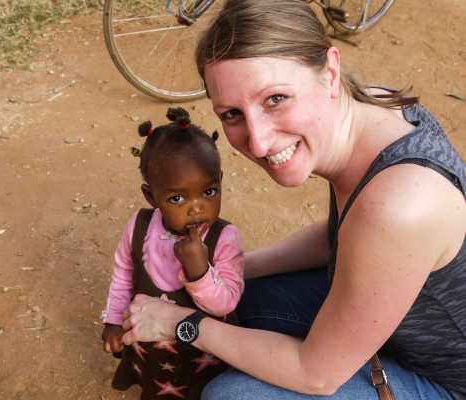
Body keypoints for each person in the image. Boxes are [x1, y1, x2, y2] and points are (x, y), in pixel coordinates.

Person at [118, 1, 466, 399]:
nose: (259, 141)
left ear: (330, 73)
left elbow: (315, 375)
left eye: (276, 98)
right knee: (236, 302)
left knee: (232, 395)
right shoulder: (374, 107)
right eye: (231, 113)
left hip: (446, 382)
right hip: (400, 319)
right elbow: (343, 234)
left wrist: (181, 321)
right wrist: (228, 269)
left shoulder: (400, 203)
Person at [101, 107, 244, 399]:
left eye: (209, 192)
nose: (197, 207)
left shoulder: (223, 237)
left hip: (201, 356)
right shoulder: (140, 226)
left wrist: (200, 272)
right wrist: (113, 319)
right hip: (150, 351)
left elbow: (226, 303)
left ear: (220, 181)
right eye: (177, 197)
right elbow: (124, 273)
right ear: (151, 196)